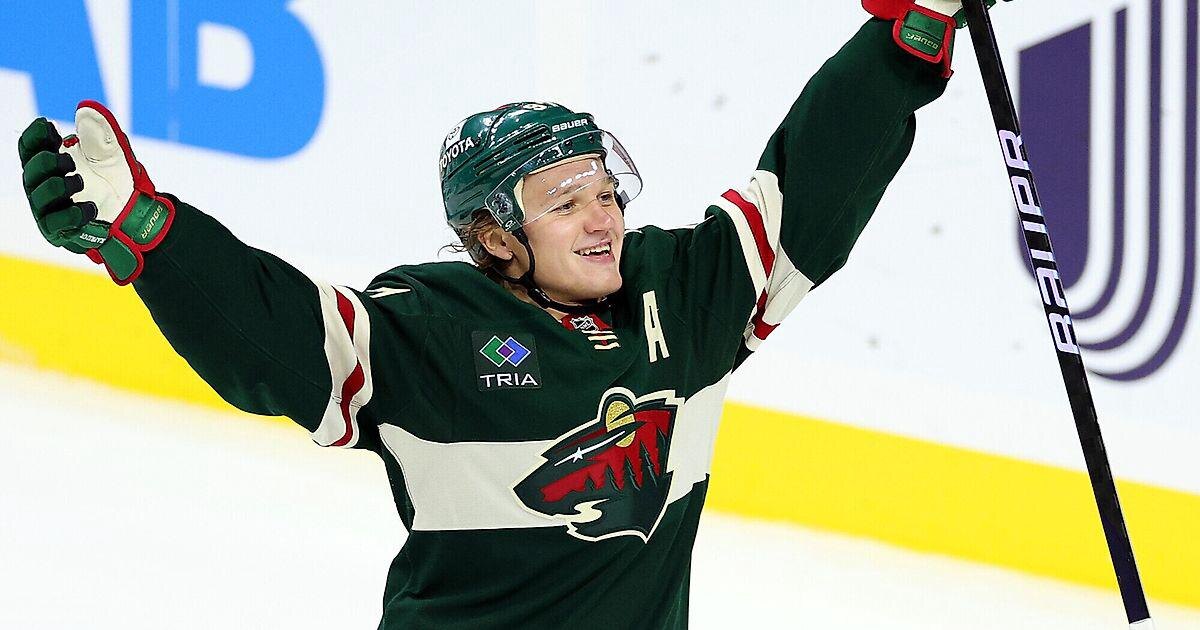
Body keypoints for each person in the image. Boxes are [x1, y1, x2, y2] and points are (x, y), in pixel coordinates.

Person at [17, 2, 1007, 627]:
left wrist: (905, 36)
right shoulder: (432, 329)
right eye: (564, 203)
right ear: (494, 237)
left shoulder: (682, 293)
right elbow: (275, 338)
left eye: (605, 191)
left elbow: (813, 179)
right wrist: (156, 239)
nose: (602, 217)